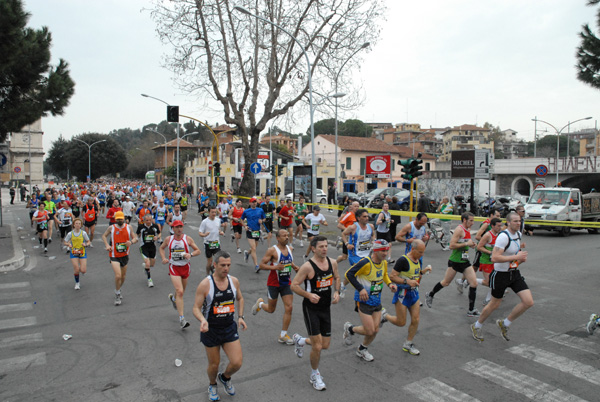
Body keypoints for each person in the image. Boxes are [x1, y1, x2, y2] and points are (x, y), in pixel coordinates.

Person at [192, 251, 246, 401]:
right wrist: (203, 320)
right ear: (214, 265)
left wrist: (240, 317)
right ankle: (212, 384)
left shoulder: (234, 281)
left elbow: (240, 299)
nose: (226, 268)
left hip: (229, 328)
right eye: (223, 265)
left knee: (237, 362)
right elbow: (196, 308)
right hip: (211, 330)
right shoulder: (205, 284)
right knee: (214, 365)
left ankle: (225, 377)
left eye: (228, 265)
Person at [290, 236, 341, 391]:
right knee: (317, 346)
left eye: (326, 246)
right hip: (311, 308)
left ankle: (300, 341)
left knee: (325, 345)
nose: (325, 249)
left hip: (326, 308)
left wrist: (337, 292)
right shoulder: (308, 267)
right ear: (313, 248)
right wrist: (308, 295)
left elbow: (337, 277)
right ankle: (315, 374)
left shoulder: (332, 263)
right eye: (321, 247)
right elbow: (294, 285)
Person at [471, 212, 531, 342]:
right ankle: (477, 326)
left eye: (519, 221)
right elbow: (494, 257)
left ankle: (505, 323)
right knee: (494, 304)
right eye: (515, 221)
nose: (518, 223)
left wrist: (519, 259)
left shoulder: (518, 235)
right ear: (508, 222)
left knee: (528, 302)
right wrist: (516, 257)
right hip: (500, 275)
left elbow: (514, 255)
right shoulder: (503, 237)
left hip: (514, 273)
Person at [342, 240, 396, 362]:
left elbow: (385, 275)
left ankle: (362, 349)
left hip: (376, 300)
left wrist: (390, 284)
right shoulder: (365, 263)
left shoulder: (383, 263)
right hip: (364, 301)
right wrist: (360, 289)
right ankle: (350, 329)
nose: (385, 253)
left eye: (387, 250)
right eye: (383, 250)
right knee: (369, 330)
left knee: (375, 330)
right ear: (375, 250)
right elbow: (349, 274)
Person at [425, 212, 480, 317]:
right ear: (464, 220)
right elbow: (451, 245)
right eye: (471, 221)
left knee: (474, 284)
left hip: (464, 261)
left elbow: (466, 242)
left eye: (473, 220)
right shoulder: (459, 230)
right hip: (455, 261)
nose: (473, 223)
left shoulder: (467, 229)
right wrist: (466, 244)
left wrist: (472, 244)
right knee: (445, 282)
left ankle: (471, 310)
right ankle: (430, 294)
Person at [381, 239, 431, 355]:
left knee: (416, 319)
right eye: (420, 252)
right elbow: (392, 276)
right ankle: (384, 315)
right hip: (402, 294)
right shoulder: (403, 260)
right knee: (401, 322)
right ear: (413, 249)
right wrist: (407, 281)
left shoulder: (418, 259)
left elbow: (415, 274)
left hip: (414, 293)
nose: (422, 255)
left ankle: (408, 343)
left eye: (423, 252)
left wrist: (424, 271)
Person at [253, 229, 300, 345]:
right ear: (278, 238)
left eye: (287, 235)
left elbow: (288, 261)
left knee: (289, 308)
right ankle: (260, 304)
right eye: (284, 236)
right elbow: (261, 265)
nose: (287, 237)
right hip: (273, 283)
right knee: (271, 309)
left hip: (286, 283)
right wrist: (274, 268)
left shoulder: (290, 249)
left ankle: (283, 335)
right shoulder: (272, 250)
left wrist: (294, 267)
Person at [160, 219, 201, 329]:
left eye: (180, 227)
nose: (179, 229)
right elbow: (161, 248)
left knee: (181, 291)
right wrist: (164, 258)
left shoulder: (187, 239)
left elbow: (198, 250)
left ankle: (173, 299)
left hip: (185, 267)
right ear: (173, 229)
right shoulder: (169, 239)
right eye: (177, 227)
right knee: (180, 291)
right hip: (174, 267)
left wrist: (190, 254)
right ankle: (182, 319)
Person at [101, 211, 139, 305]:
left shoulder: (128, 227)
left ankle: (118, 288)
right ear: (115, 219)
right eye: (117, 219)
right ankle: (117, 294)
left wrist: (131, 242)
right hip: (114, 255)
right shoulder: (112, 228)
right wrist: (107, 245)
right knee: (118, 275)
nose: (119, 220)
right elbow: (104, 236)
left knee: (123, 276)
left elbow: (135, 238)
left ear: (124, 218)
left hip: (124, 255)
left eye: (121, 219)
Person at [339, 206, 373, 297]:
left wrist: (374, 241)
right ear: (358, 218)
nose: (367, 218)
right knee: (361, 271)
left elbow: (373, 235)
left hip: (366, 254)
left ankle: (343, 284)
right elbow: (343, 234)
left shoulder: (371, 226)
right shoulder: (353, 227)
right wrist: (347, 244)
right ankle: (363, 291)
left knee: (355, 273)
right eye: (364, 216)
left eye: (367, 216)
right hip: (355, 255)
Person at [475, 217, 503, 305]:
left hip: (495, 261)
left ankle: (487, 299)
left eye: (500, 225)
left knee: (494, 281)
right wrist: (489, 252)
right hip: (486, 261)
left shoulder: (500, 235)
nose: (500, 227)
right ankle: (471, 280)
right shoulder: (487, 235)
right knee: (489, 282)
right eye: (498, 226)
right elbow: (479, 247)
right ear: (492, 226)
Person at [63, 218, 91, 290]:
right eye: (76, 223)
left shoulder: (83, 233)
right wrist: (68, 245)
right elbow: (65, 242)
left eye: (79, 223)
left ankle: (81, 270)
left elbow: (88, 241)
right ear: (74, 225)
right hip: (74, 252)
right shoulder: (70, 234)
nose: (78, 225)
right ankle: (77, 283)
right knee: (76, 269)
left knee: (83, 270)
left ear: (81, 225)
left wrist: (86, 244)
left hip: (82, 252)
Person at [241, 197, 266, 273]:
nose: (254, 203)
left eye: (255, 202)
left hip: (257, 231)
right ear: (250, 203)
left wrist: (262, 221)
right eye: (253, 202)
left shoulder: (260, 210)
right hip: (250, 231)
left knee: (253, 248)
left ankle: (247, 253)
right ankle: (256, 265)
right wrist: (245, 226)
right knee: (254, 248)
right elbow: (241, 219)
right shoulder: (246, 211)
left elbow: (264, 218)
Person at [137, 213, 161, 288]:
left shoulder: (155, 226)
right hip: (143, 246)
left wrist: (157, 237)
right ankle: (149, 279)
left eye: (150, 220)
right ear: (144, 221)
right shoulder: (141, 227)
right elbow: (136, 234)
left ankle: (146, 267)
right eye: (147, 220)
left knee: (152, 264)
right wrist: (137, 238)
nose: (148, 221)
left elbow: (159, 233)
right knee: (147, 263)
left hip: (152, 247)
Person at [199, 205, 225, 276]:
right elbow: (200, 232)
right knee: (209, 262)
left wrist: (220, 232)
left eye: (215, 212)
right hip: (208, 243)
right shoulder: (205, 222)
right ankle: (207, 274)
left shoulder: (218, 220)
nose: (214, 214)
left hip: (216, 243)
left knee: (219, 259)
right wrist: (204, 235)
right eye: (212, 212)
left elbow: (218, 229)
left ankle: (213, 268)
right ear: (209, 212)